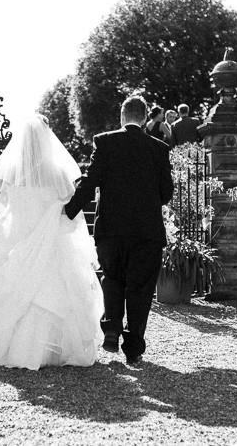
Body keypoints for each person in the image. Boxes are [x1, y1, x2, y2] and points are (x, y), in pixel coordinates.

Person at [0, 114, 103, 370]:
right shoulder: (57, 171)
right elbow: (70, 204)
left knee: (13, 285)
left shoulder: (11, 167)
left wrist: (7, 214)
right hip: (50, 238)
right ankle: (51, 351)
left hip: (16, 233)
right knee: (52, 286)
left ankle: (7, 347)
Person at [64, 95, 174, 365]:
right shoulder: (158, 149)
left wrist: (69, 210)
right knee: (141, 288)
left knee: (112, 277)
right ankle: (134, 347)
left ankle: (111, 326)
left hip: (111, 229)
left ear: (122, 117)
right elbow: (166, 194)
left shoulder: (105, 141)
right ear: (146, 117)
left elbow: (90, 182)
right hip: (146, 232)